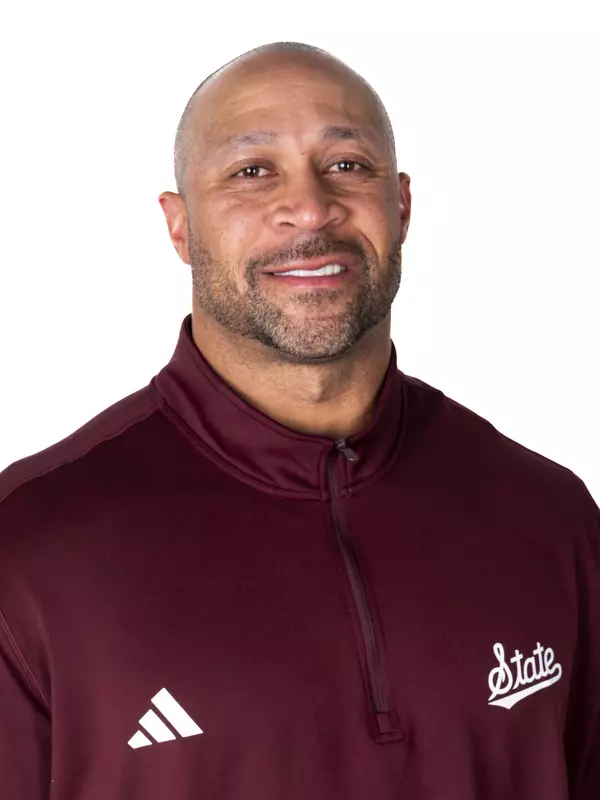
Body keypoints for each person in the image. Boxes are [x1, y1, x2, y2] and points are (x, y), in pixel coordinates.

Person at [0, 41, 598, 800]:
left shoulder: (548, 516)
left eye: (347, 165)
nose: (311, 208)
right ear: (179, 228)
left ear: (402, 206)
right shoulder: (27, 546)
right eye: (252, 172)